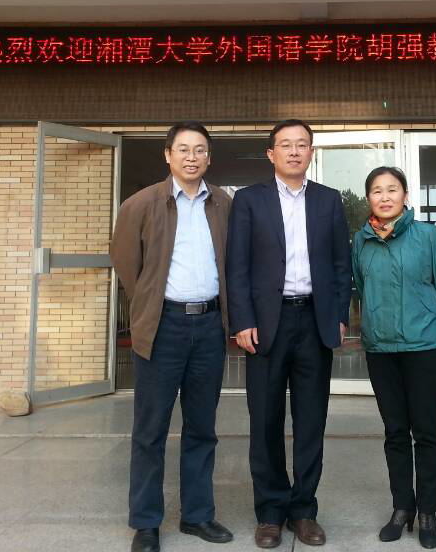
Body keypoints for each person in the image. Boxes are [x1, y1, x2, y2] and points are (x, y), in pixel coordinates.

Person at [226, 119, 352, 549]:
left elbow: (341, 264)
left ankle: (303, 511)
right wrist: (242, 319)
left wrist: (338, 314)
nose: (294, 151)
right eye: (286, 145)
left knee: (311, 421)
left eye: (302, 145)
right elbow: (237, 266)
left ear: (311, 152)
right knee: (265, 420)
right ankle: (270, 512)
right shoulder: (249, 200)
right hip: (266, 323)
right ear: (271, 154)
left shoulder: (328, 200)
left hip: (314, 321)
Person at [111, 122, 233, 552]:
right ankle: (146, 522)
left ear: (209, 158)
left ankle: (197, 515)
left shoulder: (223, 203)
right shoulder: (141, 204)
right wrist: (150, 305)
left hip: (210, 327)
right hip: (163, 327)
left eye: (199, 150)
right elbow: (127, 264)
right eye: (183, 149)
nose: (191, 157)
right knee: (151, 430)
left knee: (202, 428)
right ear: (168, 155)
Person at [352, 167, 436, 549]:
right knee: (394, 431)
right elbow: (360, 285)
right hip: (381, 349)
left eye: (392, 189)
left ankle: (427, 512)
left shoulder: (427, 236)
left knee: (425, 432)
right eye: (377, 191)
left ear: (405, 195)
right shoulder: (361, 240)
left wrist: (431, 322)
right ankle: (402, 507)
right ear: (369, 199)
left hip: (423, 347)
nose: (384, 196)